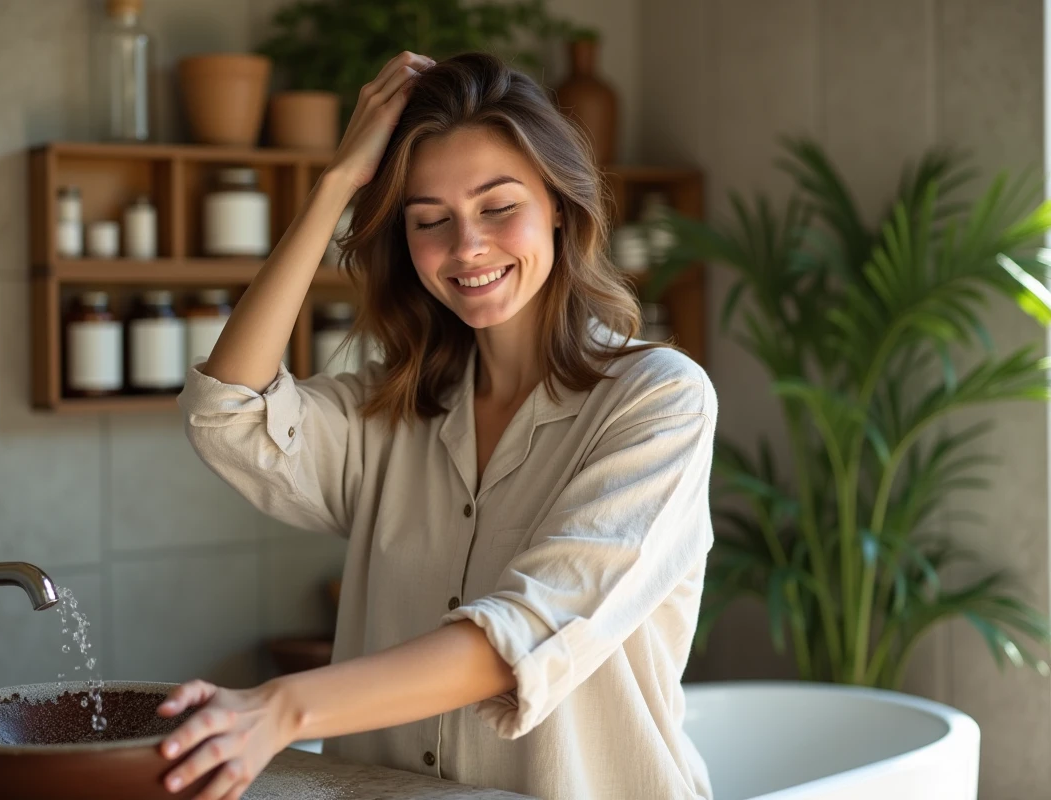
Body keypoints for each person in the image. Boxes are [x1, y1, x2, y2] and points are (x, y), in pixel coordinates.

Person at [160, 50, 717, 800]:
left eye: (498, 207)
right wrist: (334, 187)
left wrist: (281, 706)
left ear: (557, 203)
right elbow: (226, 415)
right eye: (430, 221)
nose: (467, 247)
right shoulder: (391, 413)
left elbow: (524, 633)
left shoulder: (658, 401)